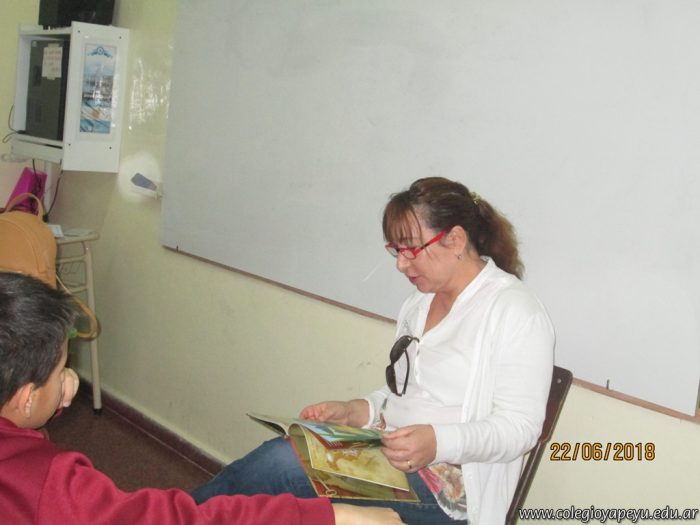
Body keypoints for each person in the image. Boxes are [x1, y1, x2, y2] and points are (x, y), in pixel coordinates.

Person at [192, 177, 555, 525]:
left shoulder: (514, 311)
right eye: (396, 250)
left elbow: (519, 428)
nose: (401, 263)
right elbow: (404, 393)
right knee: (289, 452)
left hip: (450, 490)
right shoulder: (419, 303)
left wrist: (437, 442)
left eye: (411, 249)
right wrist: (355, 411)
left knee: (282, 468)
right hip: (388, 451)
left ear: (455, 239)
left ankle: (175, 517)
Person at [0, 272, 404, 525]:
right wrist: (329, 516)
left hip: (427, 471)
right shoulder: (47, 482)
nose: (69, 377)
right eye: (62, 368)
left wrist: (48, 395)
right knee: (282, 459)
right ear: (26, 396)